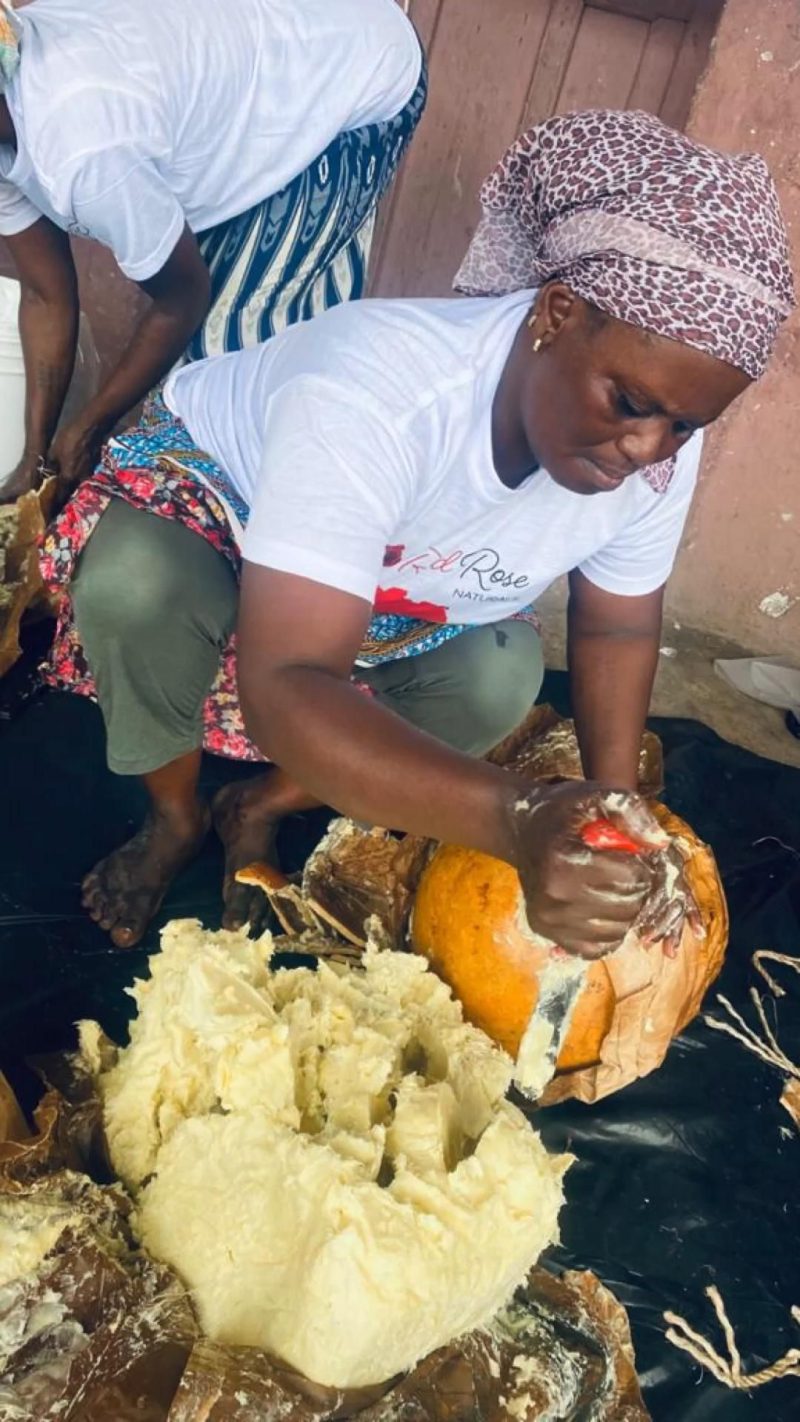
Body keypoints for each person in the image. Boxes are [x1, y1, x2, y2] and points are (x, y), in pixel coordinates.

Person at [40, 109, 794, 954]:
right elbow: (288, 679)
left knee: (498, 673)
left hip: (387, 588)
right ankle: (172, 818)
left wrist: (608, 816)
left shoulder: (653, 450)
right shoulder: (379, 392)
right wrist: (516, 818)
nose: (648, 450)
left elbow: (617, 620)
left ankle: (254, 805)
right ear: (556, 313)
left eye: (685, 428)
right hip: (220, 522)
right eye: (630, 403)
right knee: (137, 585)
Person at [0, 0, 425, 494]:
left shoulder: (85, 151)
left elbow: (183, 297)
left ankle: (293, 527)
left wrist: (90, 429)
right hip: (256, 69)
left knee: (229, 366)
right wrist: (36, 461)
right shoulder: (13, 102)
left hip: (359, 73)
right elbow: (46, 295)